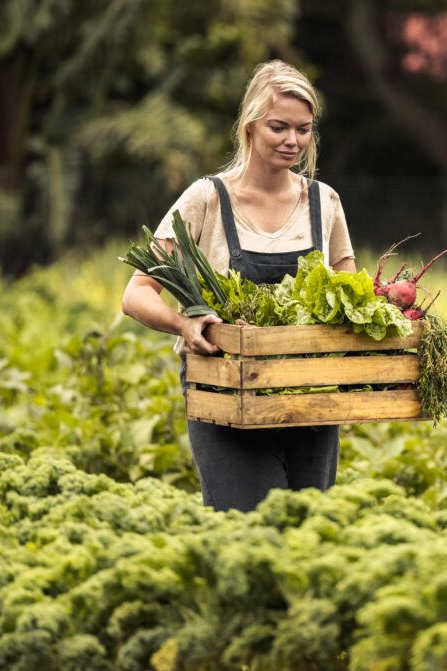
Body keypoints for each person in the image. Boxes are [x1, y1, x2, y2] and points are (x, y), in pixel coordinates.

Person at [121, 60, 356, 512]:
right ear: (250, 126)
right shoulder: (206, 199)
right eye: (279, 127)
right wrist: (183, 324)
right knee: (248, 530)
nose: (292, 141)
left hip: (310, 397)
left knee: (310, 532)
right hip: (227, 397)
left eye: (304, 130)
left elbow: (349, 294)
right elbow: (136, 293)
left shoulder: (322, 202)